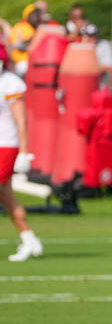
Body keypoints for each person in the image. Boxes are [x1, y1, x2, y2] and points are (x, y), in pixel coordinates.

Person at [0, 48, 42, 262]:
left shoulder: (10, 82)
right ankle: (28, 238)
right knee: (6, 196)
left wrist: (24, 152)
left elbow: (21, 120)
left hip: (6, 144)